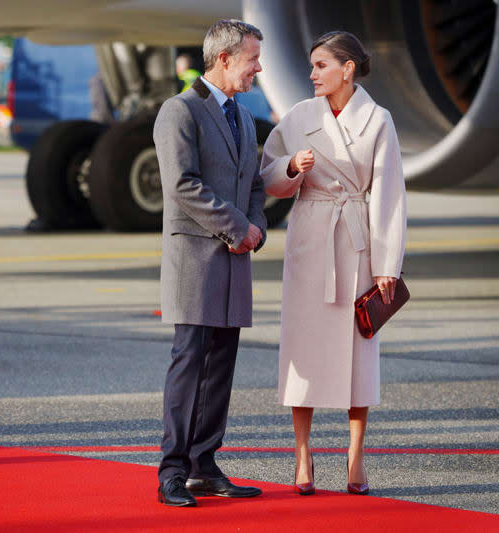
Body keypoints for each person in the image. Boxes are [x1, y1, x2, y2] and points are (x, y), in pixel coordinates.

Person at [259, 31, 407, 496]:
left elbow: (389, 195)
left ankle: (355, 456)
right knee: (302, 351)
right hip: (310, 239)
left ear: (347, 68)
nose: (311, 74)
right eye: (311, 65)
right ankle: (302, 456)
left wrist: (388, 264)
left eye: (321, 65)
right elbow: (267, 176)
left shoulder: (378, 120)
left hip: (357, 242)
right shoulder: (299, 116)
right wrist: (290, 168)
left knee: (357, 353)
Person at [154, 19, 268, 507]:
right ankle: (172, 471)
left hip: (233, 260)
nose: (258, 68)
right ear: (224, 59)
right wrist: (240, 228)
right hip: (198, 258)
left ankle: (204, 463)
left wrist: (255, 228)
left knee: (220, 365)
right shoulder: (179, 111)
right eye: (252, 59)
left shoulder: (241, 114)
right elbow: (183, 185)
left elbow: (256, 182)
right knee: (190, 363)